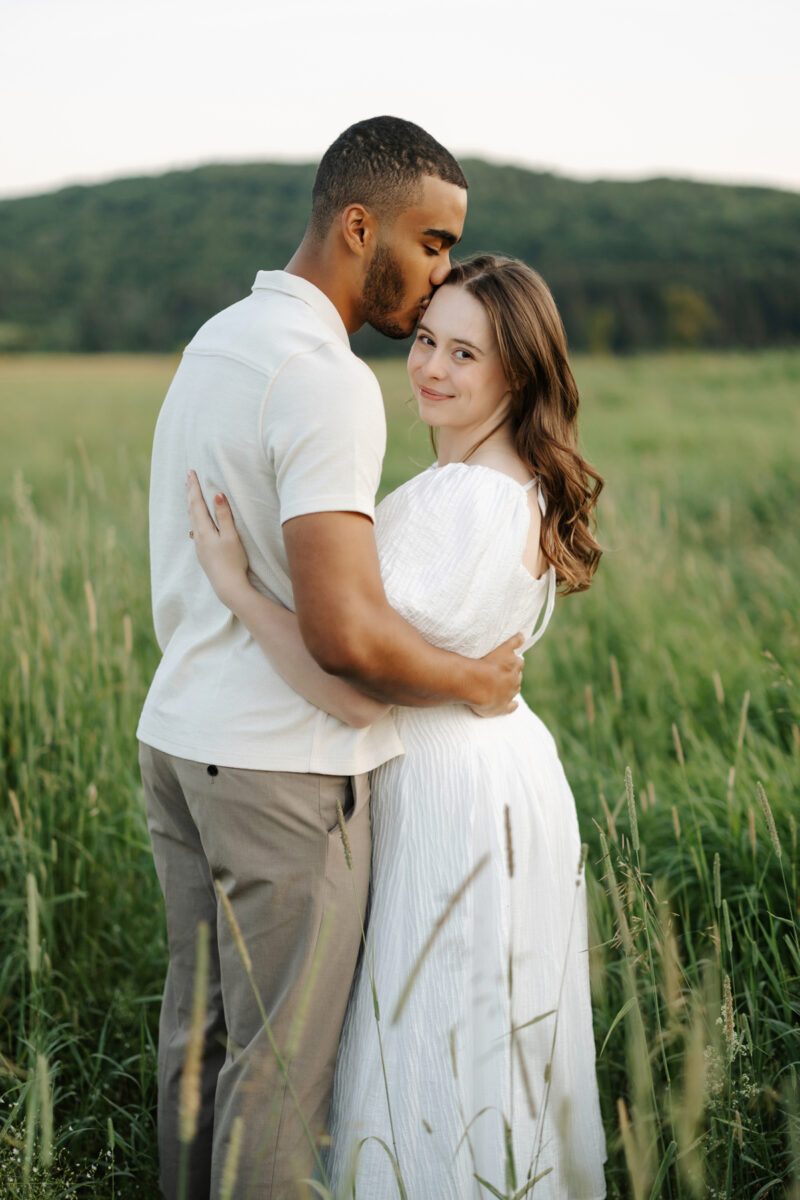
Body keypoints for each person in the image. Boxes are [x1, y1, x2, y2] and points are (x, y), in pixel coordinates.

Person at [136, 118, 525, 1200]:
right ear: (361, 228)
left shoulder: (218, 339)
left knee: (198, 1044)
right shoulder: (327, 377)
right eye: (433, 242)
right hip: (283, 772)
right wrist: (473, 680)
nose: (440, 270)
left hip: (180, 742)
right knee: (278, 1077)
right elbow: (343, 632)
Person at [186, 255, 608, 1198]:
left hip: (447, 789)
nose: (431, 367)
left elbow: (353, 678)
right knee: (482, 1041)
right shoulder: (517, 483)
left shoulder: (460, 499)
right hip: (502, 769)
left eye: (466, 354)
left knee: (430, 1033)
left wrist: (236, 588)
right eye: (426, 340)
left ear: (518, 374)